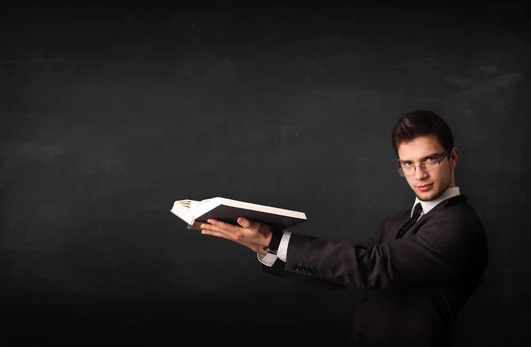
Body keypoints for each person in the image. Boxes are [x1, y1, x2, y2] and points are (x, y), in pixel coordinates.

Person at [199, 110, 488, 347]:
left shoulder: (458, 226)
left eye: (430, 161)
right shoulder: (397, 222)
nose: (419, 174)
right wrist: (268, 249)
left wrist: (276, 239)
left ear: (452, 158)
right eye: (408, 164)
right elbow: (344, 275)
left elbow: (373, 266)